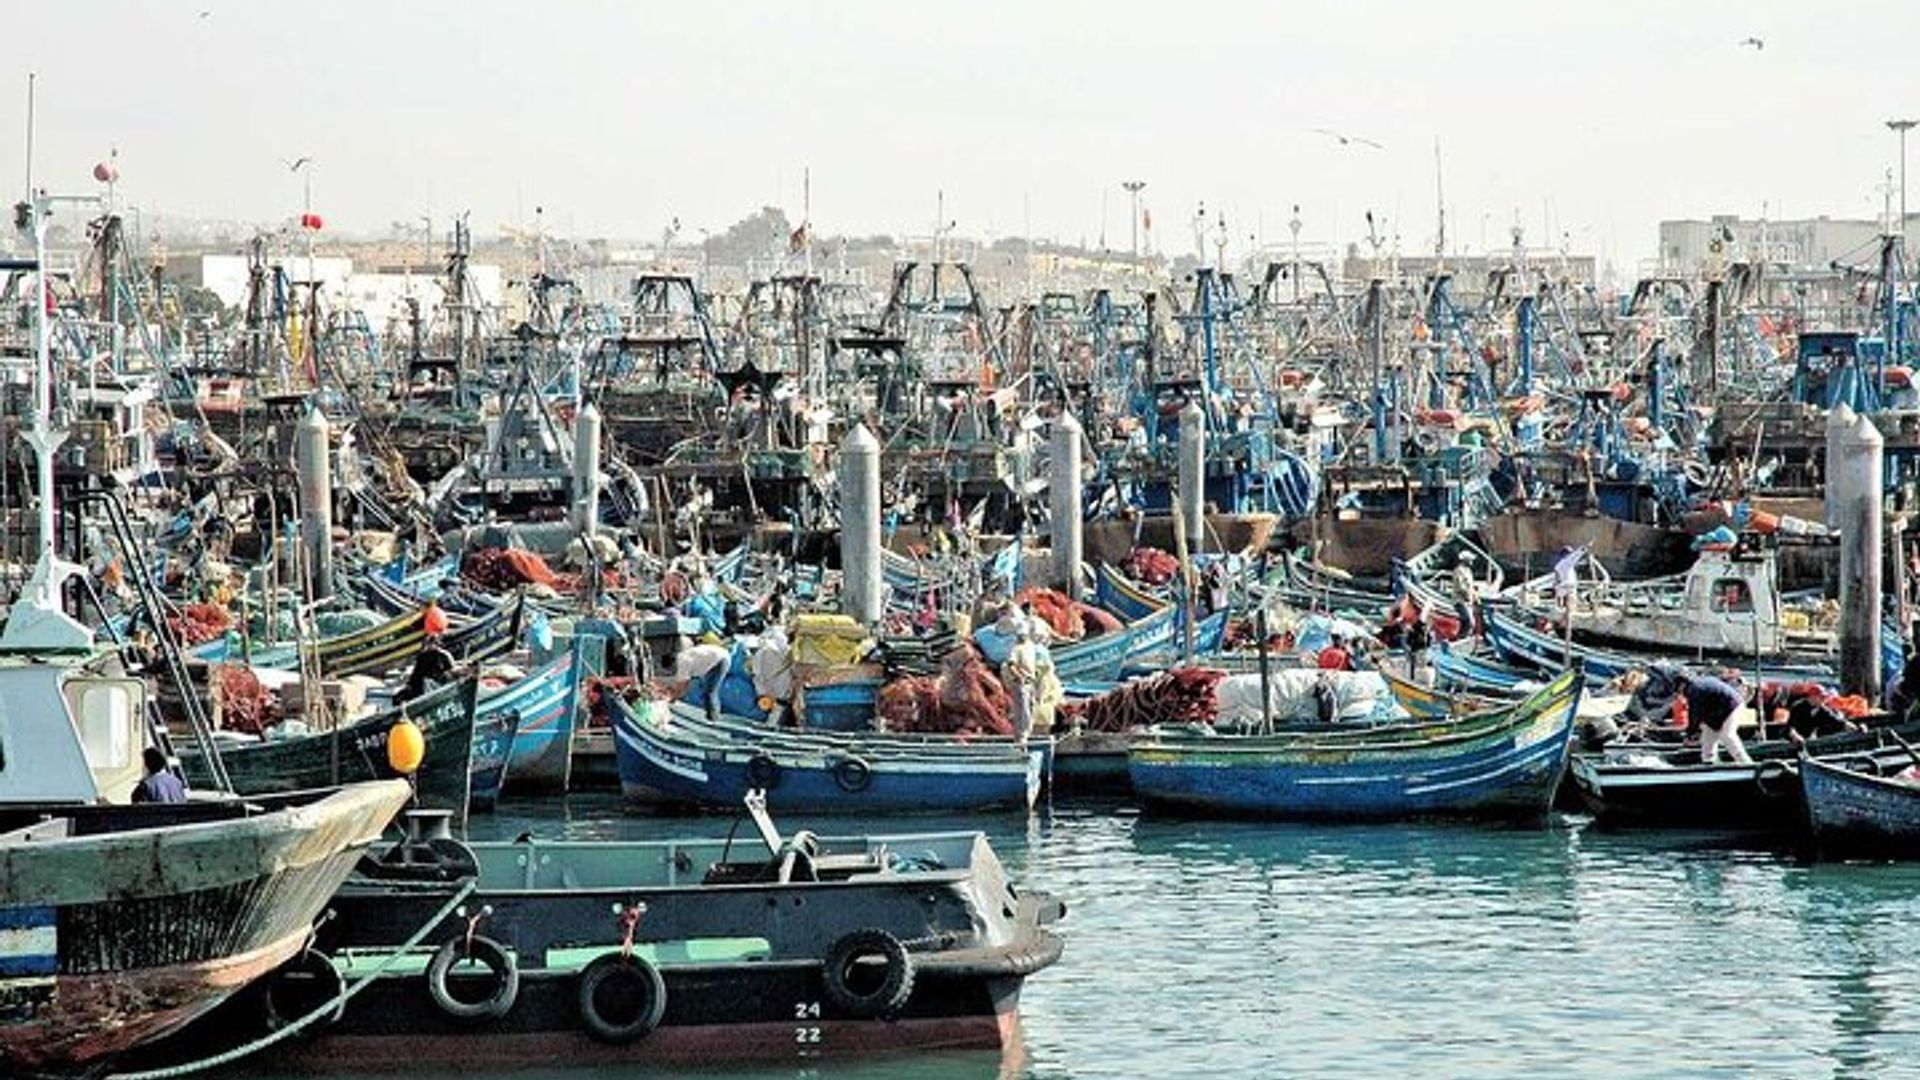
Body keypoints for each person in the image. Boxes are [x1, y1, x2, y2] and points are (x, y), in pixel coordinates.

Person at [1682, 672, 1751, 764]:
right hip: (1717, 712)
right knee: (1708, 739)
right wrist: (1691, 732)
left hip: (1731, 707)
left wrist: (1690, 734)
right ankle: (1709, 762)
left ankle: (1745, 762)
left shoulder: (1694, 689)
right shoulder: (1698, 685)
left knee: (1727, 735)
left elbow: (1695, 713)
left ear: (1682, 684)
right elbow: (1698, 711)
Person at [402, 633, 456, 701]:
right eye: (427, 644)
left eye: (430, 644)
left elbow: (451, 671)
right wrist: (409, 684)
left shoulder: (443, 655)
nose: (428, 646)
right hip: (424, 686)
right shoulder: (422, 657)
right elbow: (416, 674)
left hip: (437, 685)